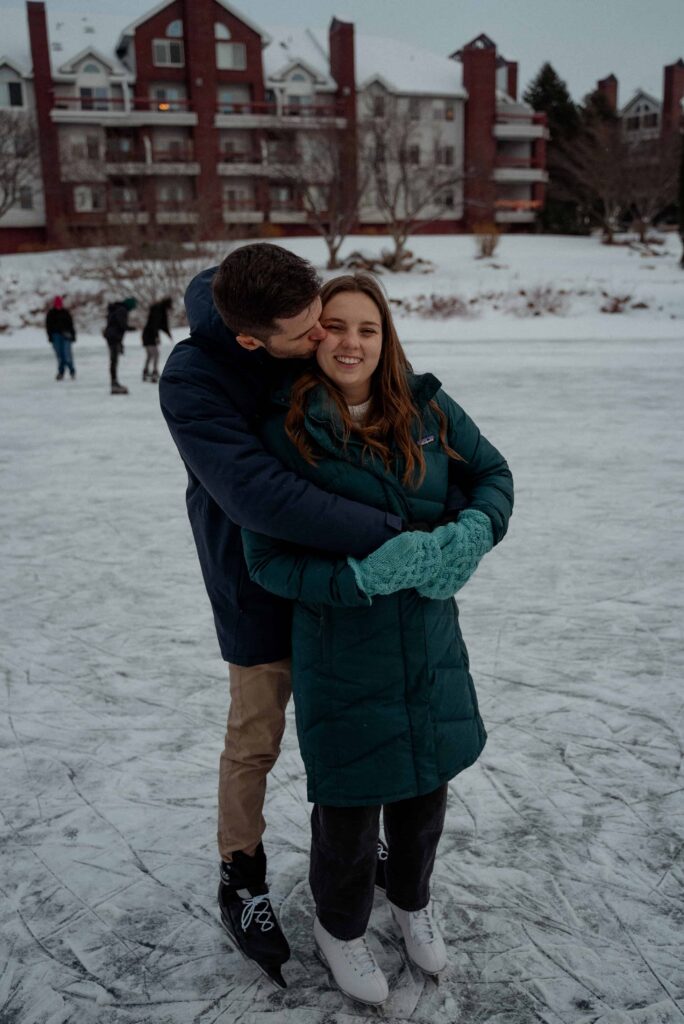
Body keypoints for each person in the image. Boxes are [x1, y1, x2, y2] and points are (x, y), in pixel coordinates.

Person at [159, 244, 470, 989]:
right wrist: (400, 534)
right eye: (308, 335)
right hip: (258, 582)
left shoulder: (299, 314)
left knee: (373, 720)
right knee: (256, 734)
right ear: (251, 340)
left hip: (352, 587)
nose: (324, 341)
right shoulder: (194, 381)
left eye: (324, 322)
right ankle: (242, 872)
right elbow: (259, 495)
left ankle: (384, 862)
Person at [240, 272, 513, 1005]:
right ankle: (340, 927)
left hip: (427, 640)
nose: (353, 341)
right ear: (312, 335)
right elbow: (266, 559)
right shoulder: (285, 428)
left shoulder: (425, 409)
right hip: (343, 651)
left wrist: (474, 531)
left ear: (386, 335)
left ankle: (412, 901)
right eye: (337, 326)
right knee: (351, 816)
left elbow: (492, 474)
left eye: (370, 327)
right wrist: (355, 579)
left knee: (426, 797)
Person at [104, 297, 137, 394]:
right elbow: (122, 325)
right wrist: (131, 328)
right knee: (114, 360)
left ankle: (114, 382)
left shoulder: (117, 308)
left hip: (112, 336)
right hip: (113, 337)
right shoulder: (122, 310)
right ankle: (114, 383)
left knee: (114, 360)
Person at [142, 297, 173, 383]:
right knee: (156, 354)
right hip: (149, 334)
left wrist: (168, 333)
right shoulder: (158, 310)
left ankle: (146, 371)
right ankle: (154, 372)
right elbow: (154, 324)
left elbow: (163, 324)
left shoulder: (160, 309)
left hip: (147, 333)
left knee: (150, 355)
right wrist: (156, 336)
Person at [45, 296, 76, 380]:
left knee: (67, 355)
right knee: (59, 356)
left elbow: (71, 325)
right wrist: (50, 337)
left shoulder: (65, 313)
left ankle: (72, 371)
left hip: (66, 336)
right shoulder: (51, 313)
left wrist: (73, 336)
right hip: (56, 336)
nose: (58, 306)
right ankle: (61, 372)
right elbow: (48, 326)